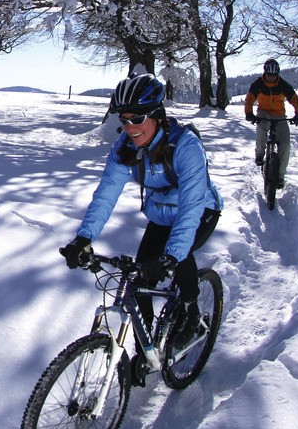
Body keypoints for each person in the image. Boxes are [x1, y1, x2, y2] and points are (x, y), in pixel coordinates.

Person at [59, 73, 223, 381]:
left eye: (138, 119)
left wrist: (170, 257)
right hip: (161, 216)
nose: (130, 128)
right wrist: (83, 238)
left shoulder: (185, 147)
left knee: (178, 254)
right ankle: (147, 351)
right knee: (137, 279)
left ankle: (190, 317)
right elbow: (106, 194)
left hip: (200, 212)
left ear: (157, 116)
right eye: (124, 120)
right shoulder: (125, 148)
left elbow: (190, 209)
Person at [243, 58, 298, 188]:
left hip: (279, 115)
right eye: (269, 76)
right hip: (263, 113)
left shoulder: (283, 84)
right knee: (262, 128)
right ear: (265, 73)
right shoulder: (258, 84)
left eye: (274, 76)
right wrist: (249, 113)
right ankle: (260, 154)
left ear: (277, 74)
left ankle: (280, 176)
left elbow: (294, 99)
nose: (271, 78)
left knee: (286, 143)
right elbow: (249, 99)